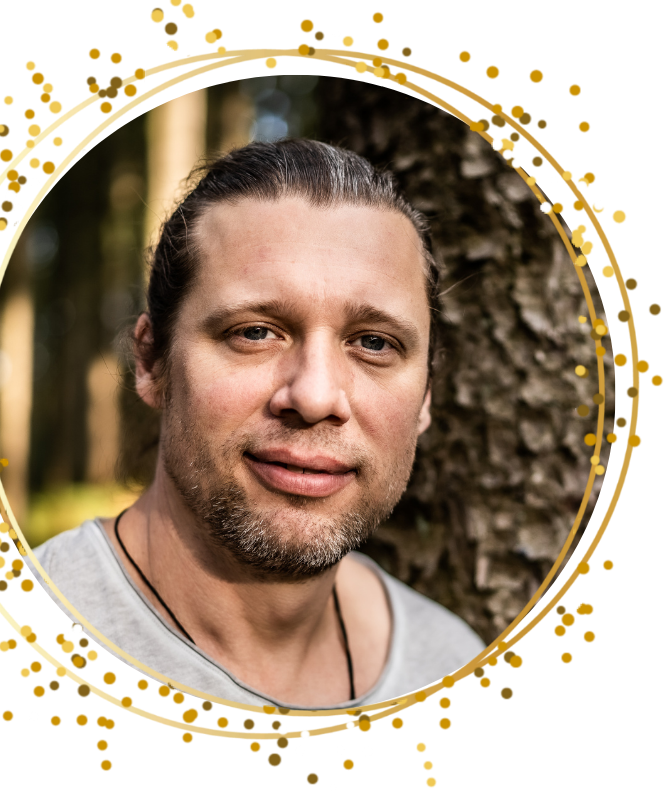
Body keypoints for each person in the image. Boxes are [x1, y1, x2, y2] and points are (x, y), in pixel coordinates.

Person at [26, 138, 486, 710]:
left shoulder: (449, 664)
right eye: (254, 332)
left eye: (374, 343)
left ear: (425, 395)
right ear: (150, 361)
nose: (314, 397)